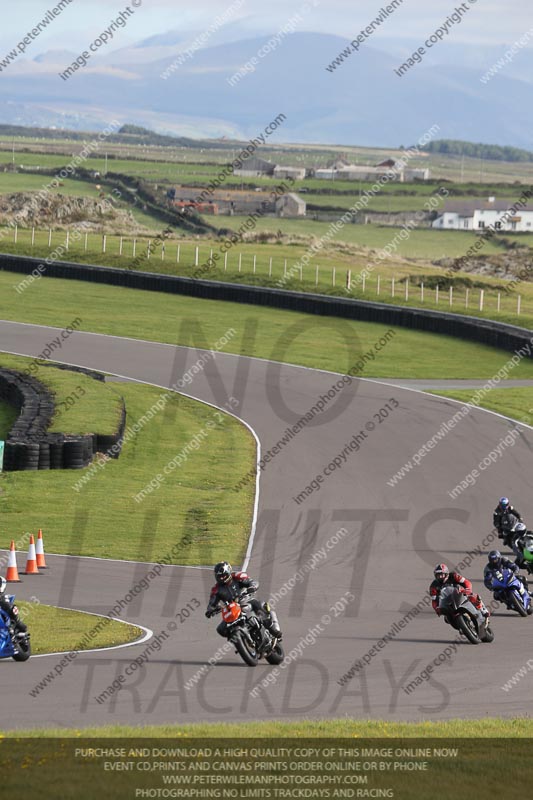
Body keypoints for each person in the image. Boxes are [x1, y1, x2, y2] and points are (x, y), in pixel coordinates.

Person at [205, 562, 282, 641]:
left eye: (223, 576)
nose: (221, 578)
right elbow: (212, 602)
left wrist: (252, 587)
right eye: (219, 576)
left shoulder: (237, 576)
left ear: (228, 572)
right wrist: (210, 610)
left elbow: (252, 582)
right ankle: (240, 641)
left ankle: (272, 629)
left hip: (245, 600)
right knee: (221, 630)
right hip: (232, 609)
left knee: (259, 605)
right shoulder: (216, 589)